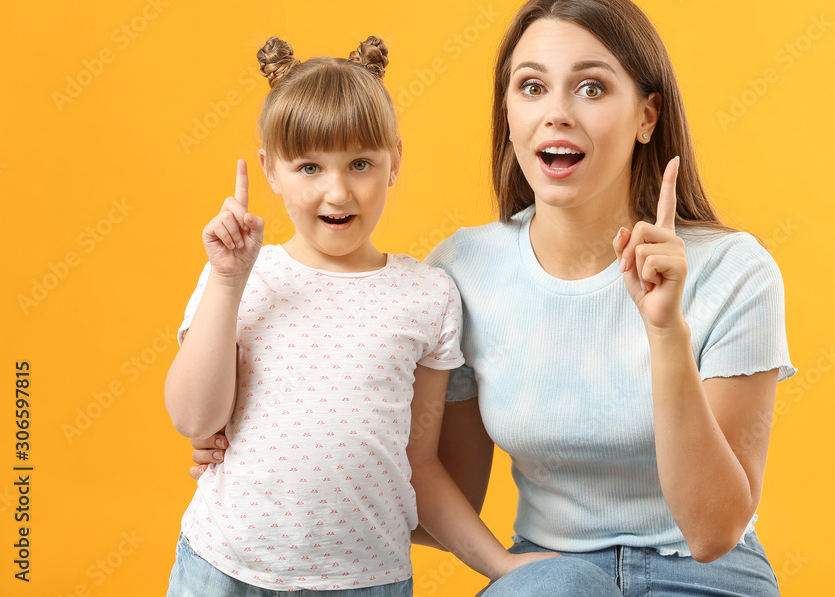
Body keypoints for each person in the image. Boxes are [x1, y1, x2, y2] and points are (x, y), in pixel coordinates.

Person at [192, 0, 796, 596]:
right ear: (509, 114)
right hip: (549, 576)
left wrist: (665, 333)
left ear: (647, 115)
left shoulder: (734, 272)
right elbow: (431, 483)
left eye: (591, 87)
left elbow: (713, 532)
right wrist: (262, 452)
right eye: (532, 87)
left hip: (706, 577)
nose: (556, 111)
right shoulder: (463, 272)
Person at [164, 36, 554, 596]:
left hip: (367, 580)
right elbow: (194, 420)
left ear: (394, 161)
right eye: (309, 167)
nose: (338, 190)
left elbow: (419, 462)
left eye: (361, 164)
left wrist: (498, 563)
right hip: (224, 570)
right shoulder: (242, 276)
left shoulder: (427, 296)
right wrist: (228, 280)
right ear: (271, 170)